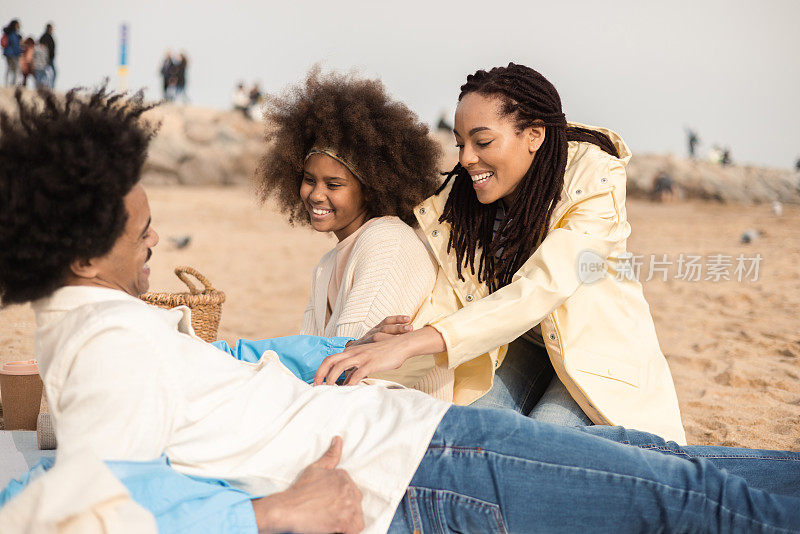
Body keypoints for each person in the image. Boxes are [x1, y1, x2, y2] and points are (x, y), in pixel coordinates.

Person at [3, 85, 800, 533]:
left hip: (441, 437)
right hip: (420, 470)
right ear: (78, 256)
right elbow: (95, 506)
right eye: (140, 230)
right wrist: (271, 516)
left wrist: (348, 352)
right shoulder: (105, 344)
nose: (153, 240)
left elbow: (542, 287)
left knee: (689, 478)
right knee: (694, 502)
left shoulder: (101, 330)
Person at [315, 63, 686, 443]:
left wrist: (410, 343)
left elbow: (540, 288)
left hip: (595, 357)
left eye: (483, 142)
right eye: (461, 143)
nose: (465, 159)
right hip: (512, 347)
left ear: (534, 135)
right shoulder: (459, 204)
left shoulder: (593, 183)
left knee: (538, 445)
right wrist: (378, 352)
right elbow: (443, 300)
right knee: (473, 437)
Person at [257, 68, 449, 397]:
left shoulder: (386, 242)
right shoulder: (327, 264)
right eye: (309, 179)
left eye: (334, 185)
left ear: (372, 189)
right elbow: (311, 363)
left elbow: (346, 376)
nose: (316, 195)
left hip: (396, 425)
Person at [2, 19, 21, 86]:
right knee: (16, 69)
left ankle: (7, 83)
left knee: (9, 68)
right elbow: (15, 45)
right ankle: (13, 84)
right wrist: (19, 52)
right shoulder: (13, 34)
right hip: (13, 54)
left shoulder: (9, 33)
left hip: (8, 53)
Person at [38, 23, 55, 87]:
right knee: (44, 73)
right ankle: (46, 87)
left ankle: (49, 87)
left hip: (50, 58)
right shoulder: (45, 37)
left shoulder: (49, 36)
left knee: (47, 74)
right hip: (46, 59)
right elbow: (41, 48)